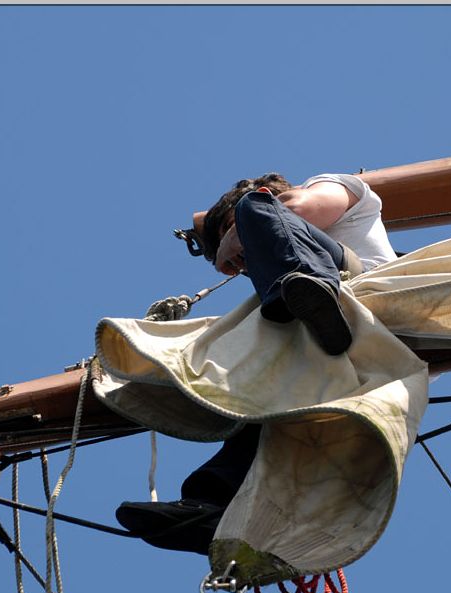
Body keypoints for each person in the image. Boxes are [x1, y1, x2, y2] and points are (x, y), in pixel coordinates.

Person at [115, 172, 396, 554]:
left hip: (367, 296)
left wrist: (241, 225)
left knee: (257, 211)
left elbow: (293, 209)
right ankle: (211, 509)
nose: (244, 265)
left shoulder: (342, 190)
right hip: (327, 344)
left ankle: (312, 292)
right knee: (260, 408)